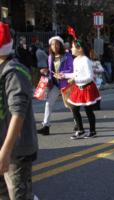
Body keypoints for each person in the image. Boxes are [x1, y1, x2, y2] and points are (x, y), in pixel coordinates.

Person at [0, 21, 38, 200]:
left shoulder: (13, 72)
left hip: (15, 151)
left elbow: (18, 113)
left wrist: (5, 153)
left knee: (18, 196)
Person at [37, 36, 74, 135]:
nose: (55, 46)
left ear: (60, 45)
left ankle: (77, 123)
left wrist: (62, 74)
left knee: (70, 105)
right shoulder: (50, 57)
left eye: (57, 44)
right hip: (55, 84)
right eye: (52, 44)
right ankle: (46, 126)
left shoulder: (67, 56)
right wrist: (45, 71)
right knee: (48, 104)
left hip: (66, 83)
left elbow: (71, 69)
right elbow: (51, 71)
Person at [67, 39, 101, 140]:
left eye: (72, 47)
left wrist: (75, 79)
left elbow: (90, 77)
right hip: (78, 87)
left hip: (87, 87)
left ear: (80, 49)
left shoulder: (86, 60)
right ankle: (80, 130)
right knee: (74, 108)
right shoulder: (75, 60)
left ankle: (92, 131)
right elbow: (76, 74)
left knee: (88, 110)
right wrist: (63, 75)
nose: (71, 49)